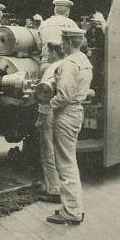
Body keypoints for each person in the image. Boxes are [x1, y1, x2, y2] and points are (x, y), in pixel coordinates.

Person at [46, 27, 93, 225]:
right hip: (76, 113)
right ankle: (74, 207)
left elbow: (63, 95)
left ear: (67, 42)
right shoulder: (84, 61)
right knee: (69, 161)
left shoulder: (68, 63)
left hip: (65, 114)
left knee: (65, 164)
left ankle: (71, 212)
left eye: (63, 41)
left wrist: (48, 104)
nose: (61, 45)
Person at [34, 44, 65, 203]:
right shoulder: (66, 65)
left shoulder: (51, 69)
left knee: (48, 150)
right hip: (63, 114)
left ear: (53, 52)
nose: (46, 53)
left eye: (48, 50)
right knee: (60, 151)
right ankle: (60, 187)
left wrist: (40, 119)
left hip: (50, 113)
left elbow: (44, 96)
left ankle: (53, 190)